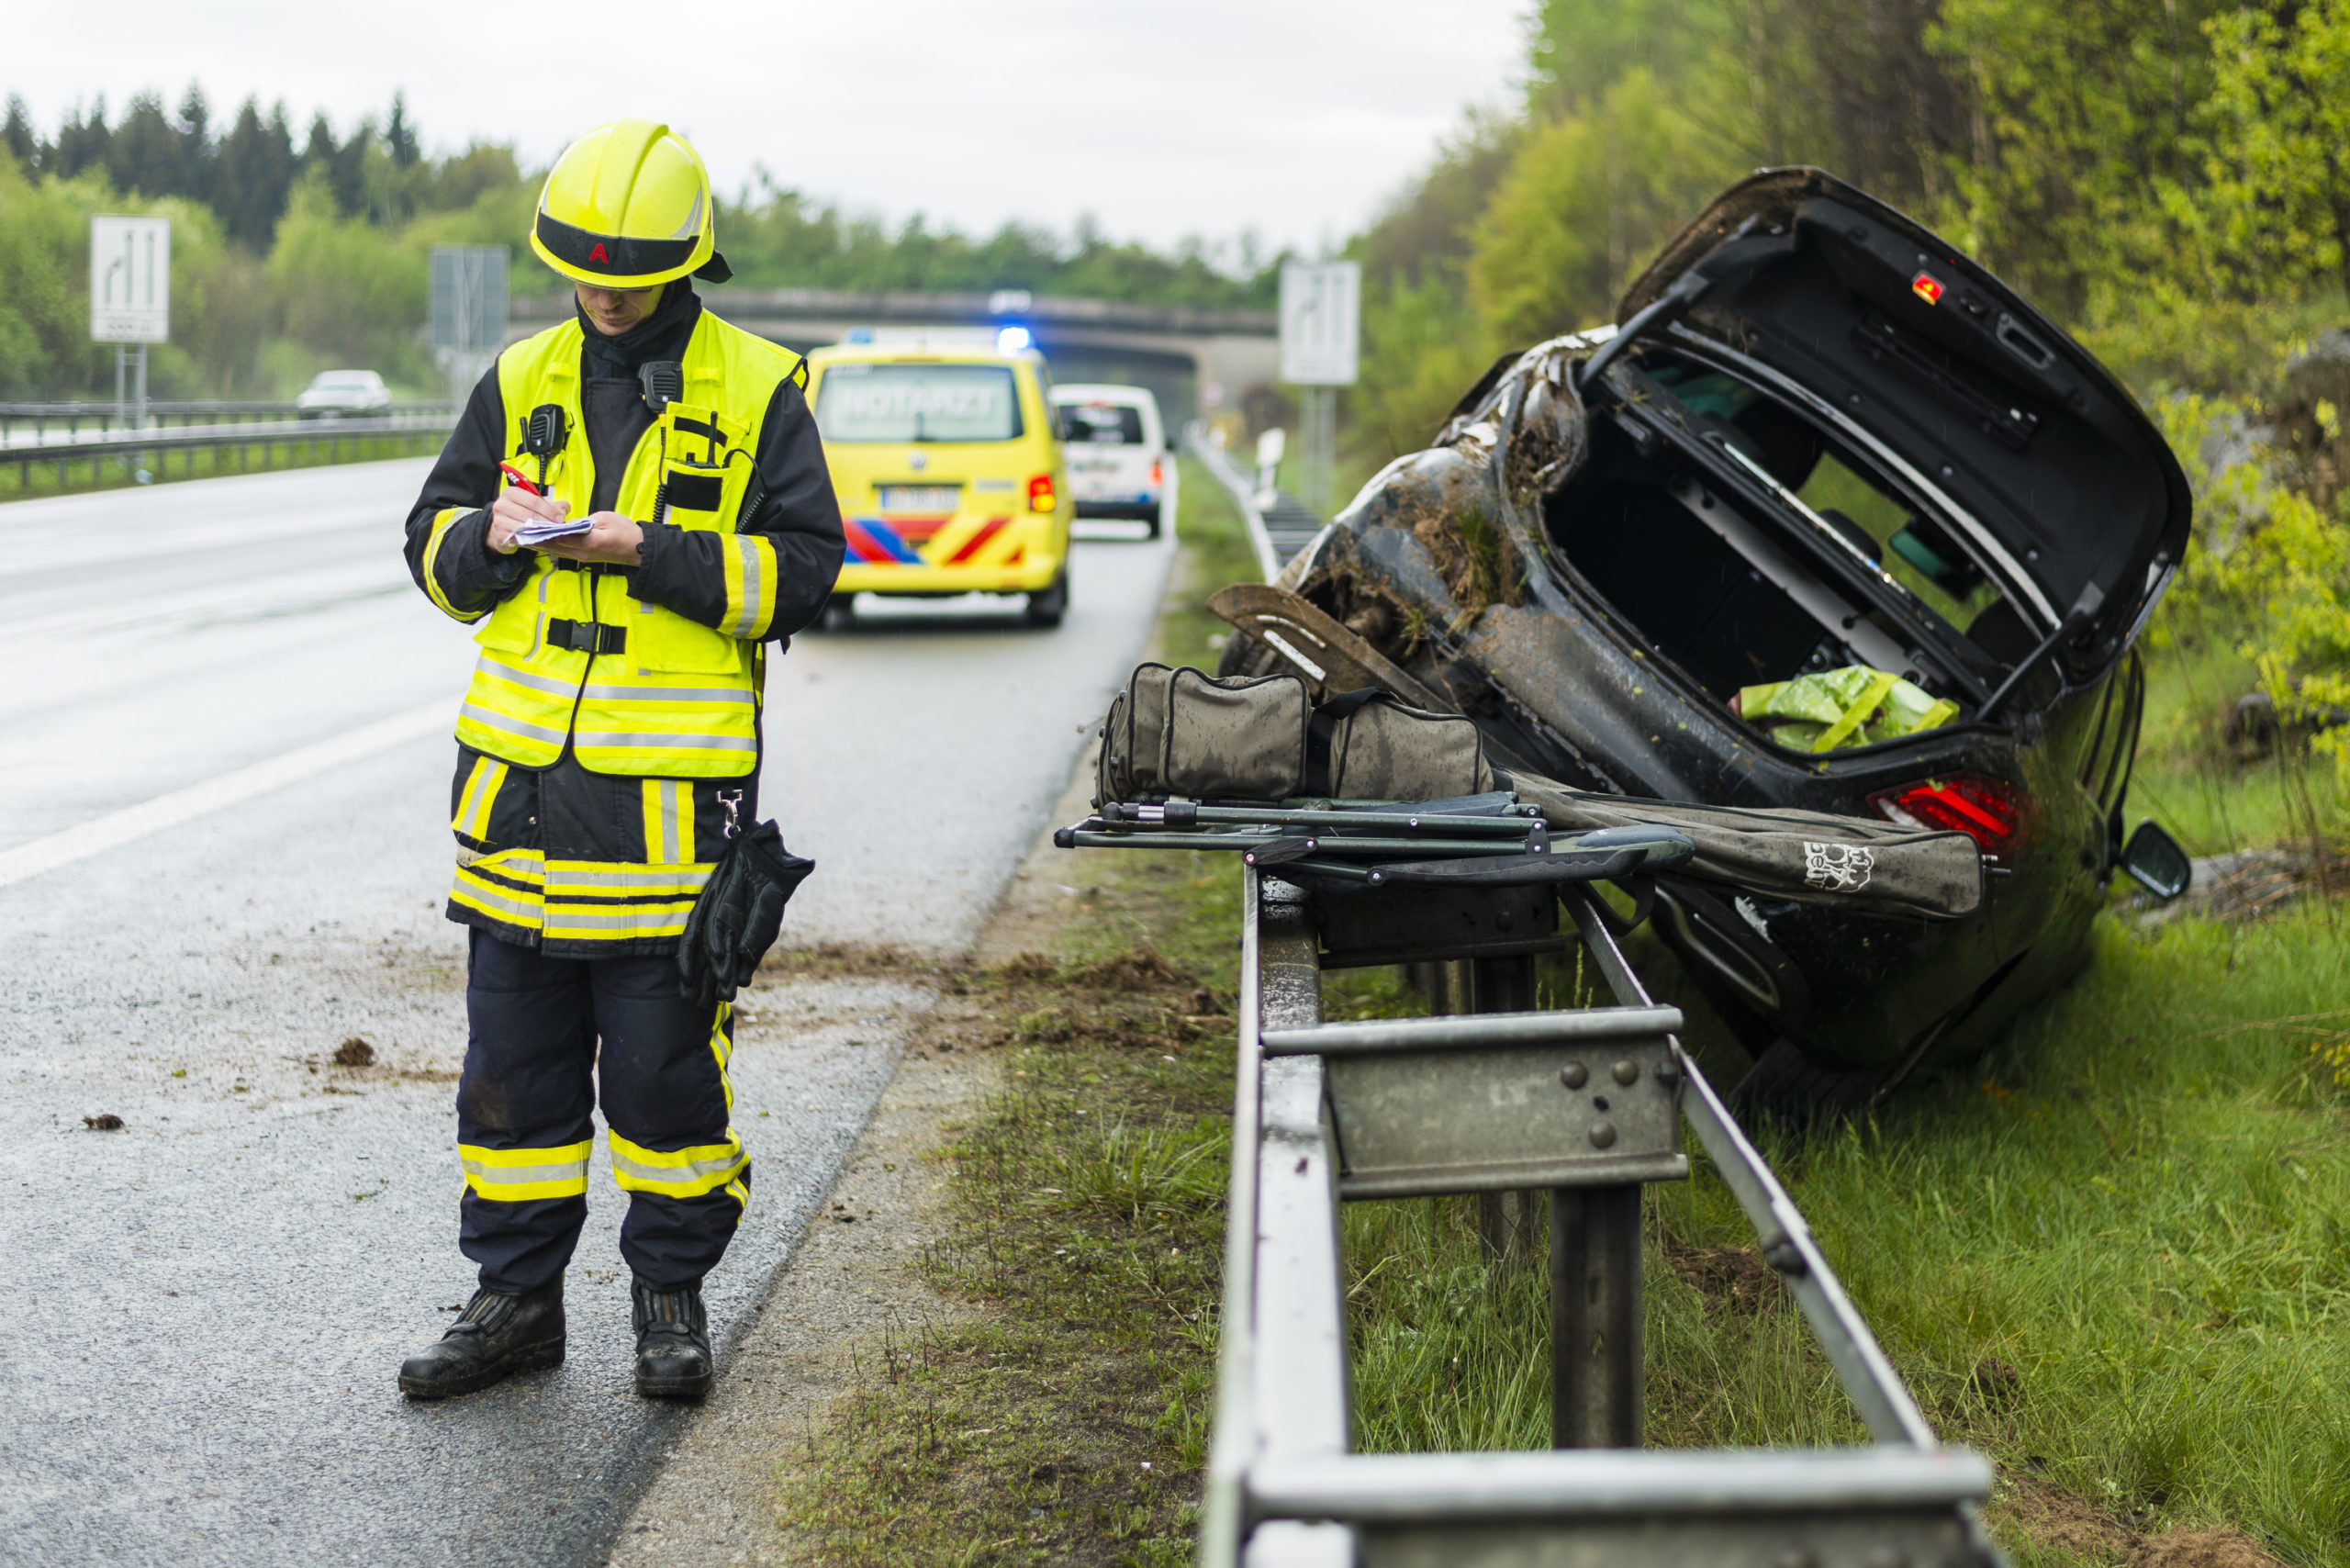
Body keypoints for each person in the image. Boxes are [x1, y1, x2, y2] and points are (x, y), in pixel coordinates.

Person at [396, 119, 844, 1401]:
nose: (603, 297)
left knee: (664, 1083)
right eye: (585, 276)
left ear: (684, 262)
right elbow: (431, 544)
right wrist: (487, 539)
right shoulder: (522, 374)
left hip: (665, 824)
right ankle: (515, 1306)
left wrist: (651, 552)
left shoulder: (758, 388)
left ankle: (669, 1304)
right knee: (511, 1080)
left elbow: (808, 572)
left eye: (631, 278)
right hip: (518, 813)